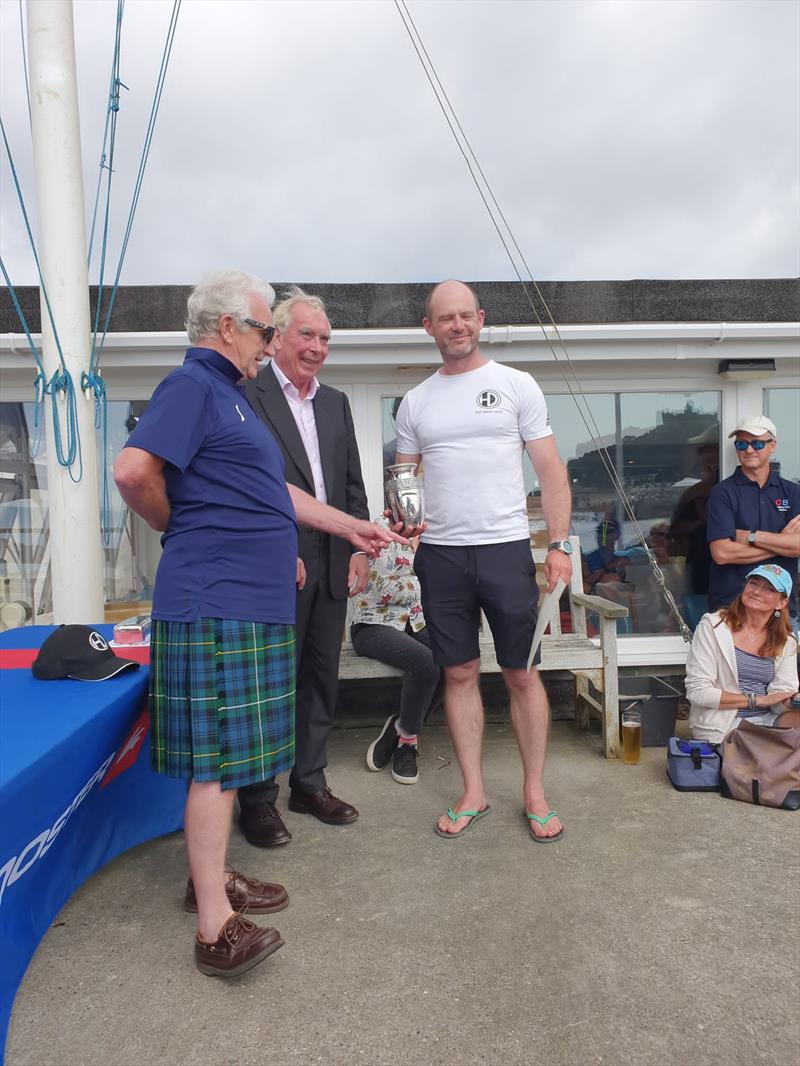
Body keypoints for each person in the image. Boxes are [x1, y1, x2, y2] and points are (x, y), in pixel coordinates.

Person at [113, 271, 399, 976]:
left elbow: (276, 493)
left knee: (233, 760)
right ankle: (215, 927)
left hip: (249, 599)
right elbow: (130, 472)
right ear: (226, 328)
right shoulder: (194, 386)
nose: (272, 343)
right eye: (266, 329)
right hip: (215, 600)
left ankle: (207, 880)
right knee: (215, 765)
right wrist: (191, 531)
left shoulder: (232, 399)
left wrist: (351, 529)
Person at [394, 279, 573, 841]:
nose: (457, 326)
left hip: (505, 549)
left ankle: (534, 792)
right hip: (442, 555)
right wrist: (401, 515)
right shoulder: (416, 401)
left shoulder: (516, 385)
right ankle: (474, 790)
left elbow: (550, 473)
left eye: (465, 316)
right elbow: (405, 480)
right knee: (459, 671)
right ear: (429, 327)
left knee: (522, 672)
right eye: (445, 318)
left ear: (480, 319)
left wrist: (560, 545)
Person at [238, 287, 370, 847]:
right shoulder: (247, 392)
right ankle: (258, 801)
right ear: (277, 337)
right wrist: (272, 544)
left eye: (324, 339)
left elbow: (351, 487)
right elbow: (244, 485)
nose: (317, 347)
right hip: (277, 561)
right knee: (270, 682)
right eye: (306, 335)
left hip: (333, 561)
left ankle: (309, 783)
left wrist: (360, 546)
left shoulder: (336, 402)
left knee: (321, 675)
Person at [351, 515, 441, 784]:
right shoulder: (382, 529)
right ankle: (407, 744)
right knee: (425, 662)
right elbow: (381, 587)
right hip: (372, 624)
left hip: (416, 622)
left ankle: (400, 727)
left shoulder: (439, 535)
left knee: (455, 662)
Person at [686, 564, 799, 744]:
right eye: (754, 583)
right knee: (769, 750)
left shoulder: (786, 639)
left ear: (781, 603)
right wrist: (758, 700)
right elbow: (698, 692)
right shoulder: (713, 626)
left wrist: (790, 700)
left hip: (767, 720)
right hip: (723, 723)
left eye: (769, 589)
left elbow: (779, 697)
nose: (757, 591)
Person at [707, 415, 800, 622]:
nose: (749, 450)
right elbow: (722, 553)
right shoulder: (722, 493)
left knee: (782, 656)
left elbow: (798, 546)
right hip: (730, 609)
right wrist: (780, 542)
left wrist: (750, 537)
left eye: (757, 443)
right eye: (741, 444)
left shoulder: (793, 492)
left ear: (772, 445)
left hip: (781, 610)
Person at [582, 518, 628, 593]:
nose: (602, 536)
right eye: (599, 531)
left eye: (607, 532)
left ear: (617, 535)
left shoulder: (623, 558)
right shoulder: (587, 559)